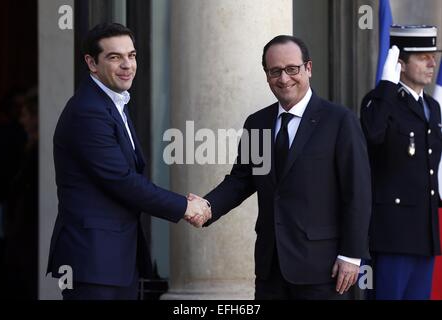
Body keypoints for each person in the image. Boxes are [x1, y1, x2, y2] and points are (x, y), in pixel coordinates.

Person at [189, 35, 372, 300]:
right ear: (266, 75)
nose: (284, 79)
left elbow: (358, 192)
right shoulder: (257, 123)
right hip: (270, 267)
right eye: (275, 71)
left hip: (324, 269)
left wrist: (351, 255)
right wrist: (207, 207)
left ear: (308, 68)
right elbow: (241, 180)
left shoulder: (339, 120)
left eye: (292, 69)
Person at [46, 23, 211, 300]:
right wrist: (184, 206)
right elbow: (121, 180)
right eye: (114, 57)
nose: (127, 65)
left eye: (131, 55)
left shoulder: (113, 103)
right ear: (92, 63)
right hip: (93, 262)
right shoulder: (88, 111)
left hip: (114, 260)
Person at [360, 25, 442, 300]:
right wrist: (385, 86)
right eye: (422, 57)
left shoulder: (432, 106)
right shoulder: (380, 102)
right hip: (391, 235)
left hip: (424, 235)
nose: (432, 63)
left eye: (433, 55)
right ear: (400, 63)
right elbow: (372, 135)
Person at [3, 91, 39, 299]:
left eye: (26, 114)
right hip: (23, 235)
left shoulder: (39, 155)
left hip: (31, 235)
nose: (22, 120)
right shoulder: (29, 150)